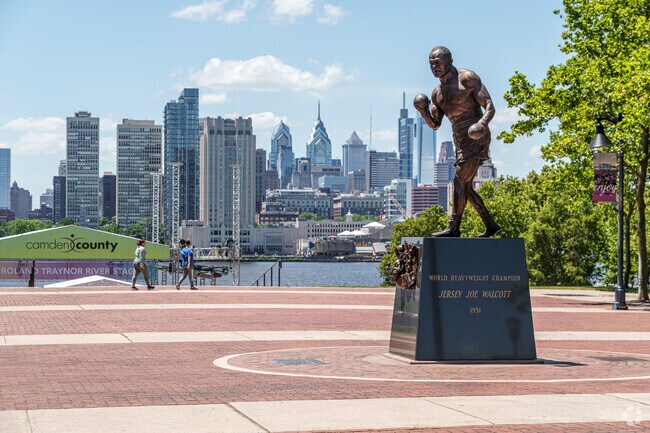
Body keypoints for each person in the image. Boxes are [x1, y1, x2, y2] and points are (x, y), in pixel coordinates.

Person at [413, 46, 501, 237]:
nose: (434, 67)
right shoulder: (437, 94)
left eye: (438, 62)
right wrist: (423, 111)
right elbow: (435, 124)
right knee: (465, 187)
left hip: (476, 134)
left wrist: (482, 124)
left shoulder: (467, 79)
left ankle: (454, 227)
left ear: (449, 61)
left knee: (459, 181)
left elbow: (489, 106)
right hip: (459, 138)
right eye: (431, 64)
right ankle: (490, 223)